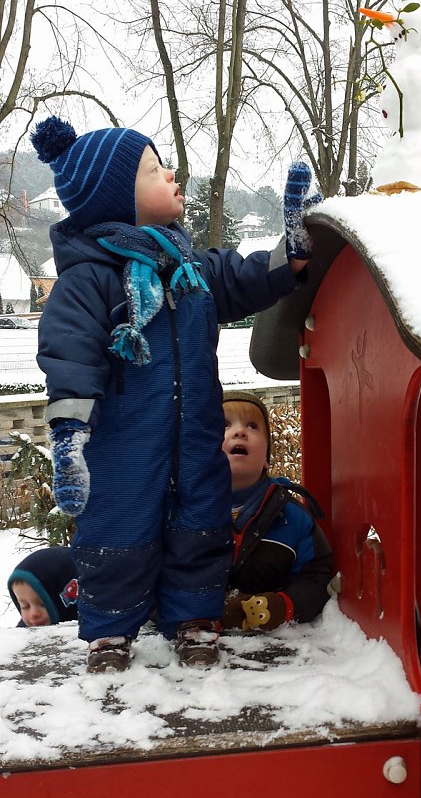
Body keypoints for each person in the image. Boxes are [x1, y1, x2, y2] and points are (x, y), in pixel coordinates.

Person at [30, 115, 322, 673]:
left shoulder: (190, 269)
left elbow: (246, 276)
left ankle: (193, 619)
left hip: (193, 437)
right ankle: (111, 631)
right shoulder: (90, 279)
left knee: (200, 523)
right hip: (122, 444)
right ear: (117, 196)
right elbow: (68, 352)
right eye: (154, 169)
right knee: (116, 526)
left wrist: (294, 248)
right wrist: (69, 435)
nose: (173, 175)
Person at [221, 391, 333, 631]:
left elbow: (319, 576)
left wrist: (283, 606)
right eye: (224, 425)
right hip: (196, 650)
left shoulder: (292, 518)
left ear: (266, 460)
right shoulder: (180, 515)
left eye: (252, 426)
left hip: (279, 648)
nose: (239, 431)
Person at [8, 546, 78, 628]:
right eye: (25, 606)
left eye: (42, 604)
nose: (33, 613)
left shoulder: (90, 632)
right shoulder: (23, 636)